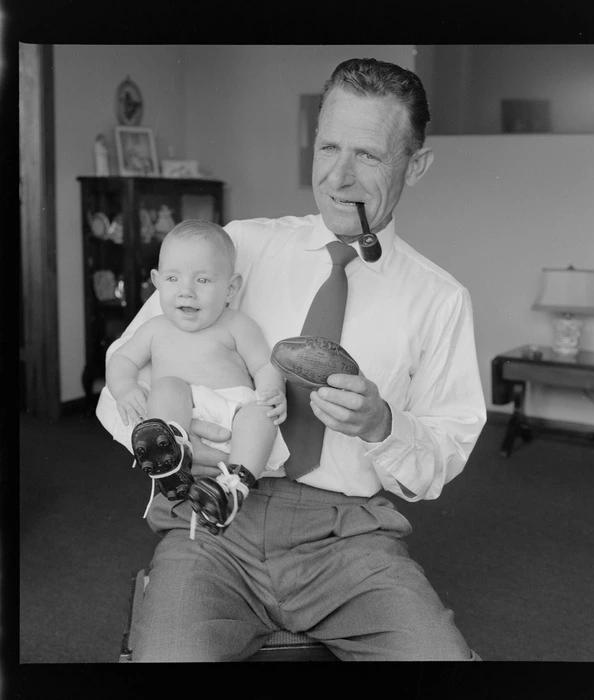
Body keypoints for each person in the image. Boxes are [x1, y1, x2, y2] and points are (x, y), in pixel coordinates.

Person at [96, 57, 486, 661]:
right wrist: (172, 448)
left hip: (349, 538)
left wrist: (384, 426)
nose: (339, 177)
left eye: (369, 155)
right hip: (213, 523)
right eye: (328, 146)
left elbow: (439, 460)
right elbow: (122, 376)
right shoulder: (235, 249)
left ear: (417, 165)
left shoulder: (440, 300)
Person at [105, 219, 289, 533]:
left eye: (202, 280)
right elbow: (122, 358)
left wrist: (273, 390)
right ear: (158, 281)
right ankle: (171, 454)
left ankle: (233, 489)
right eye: (173, 278)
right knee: (167, 387)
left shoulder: (237, 324)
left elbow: (263, 365)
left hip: (234, 414)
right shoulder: (154, 329)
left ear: (231, 288)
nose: (186, 291)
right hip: (181, 417)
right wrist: (124, 389)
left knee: (260, 416)